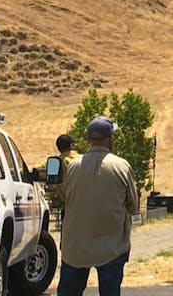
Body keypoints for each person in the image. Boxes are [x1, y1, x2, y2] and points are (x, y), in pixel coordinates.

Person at [57, 117, 139, 296]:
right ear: (110, 139)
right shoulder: (121, 166)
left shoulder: (72, 166)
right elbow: (133, 207)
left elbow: (66, 199)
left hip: (75, 246)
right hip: (111, 247)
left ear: (88, 139)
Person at [52, 134, 80, 213]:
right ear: (71, 145)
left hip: (67, 207)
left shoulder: (54, 162)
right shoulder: (84, 158)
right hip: (87, 206)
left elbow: (37, 170)